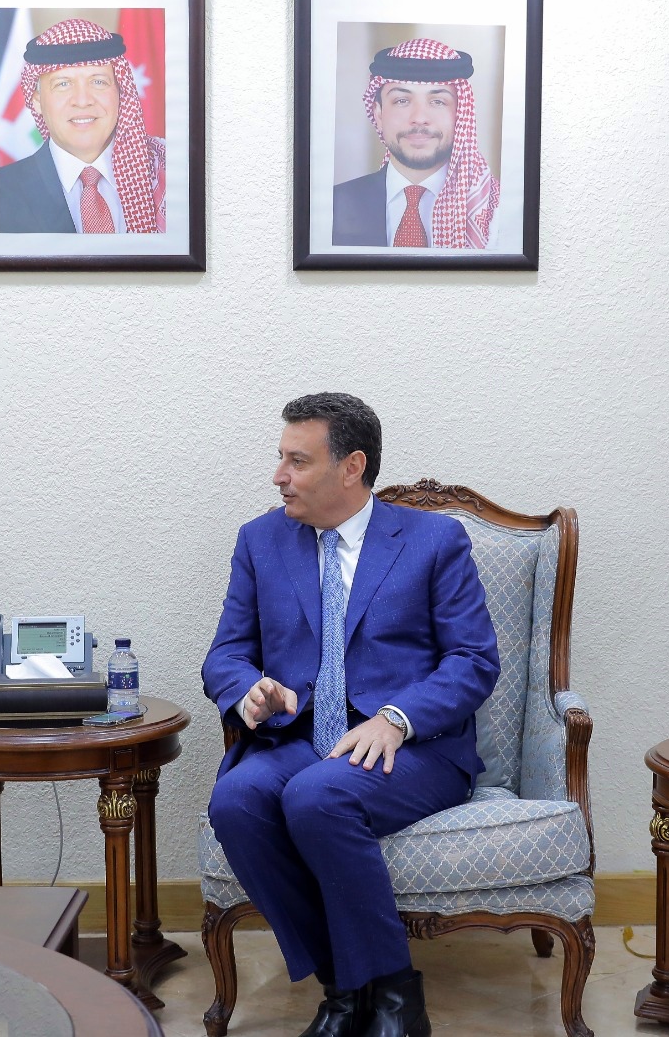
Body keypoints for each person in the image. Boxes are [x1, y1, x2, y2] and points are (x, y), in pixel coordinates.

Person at [204, 393, 499, 1037]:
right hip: (300, 736)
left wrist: (396, 717)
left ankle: (393, 1001)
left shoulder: (433, 541)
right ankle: (349, 988)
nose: (279, 475)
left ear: (351, 466)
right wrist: (250, 690)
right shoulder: (260, 541)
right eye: (280, 458)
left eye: (297, 461)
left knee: (318, 797)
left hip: (414, 748)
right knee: (235, 801)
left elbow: (474, 660)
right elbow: (226, 653)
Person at [0, 18, 166, 234]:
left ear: (120, 92)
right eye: (63, 84)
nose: (83, 100)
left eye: (98, 82)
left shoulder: (168, 172)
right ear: (37, 100)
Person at [332, 38, 500, 249]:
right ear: (378, 114)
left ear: (460, 114)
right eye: (401, 101)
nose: (419, 118)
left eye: (437, 102)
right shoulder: (333, 206)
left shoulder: (496, 213)